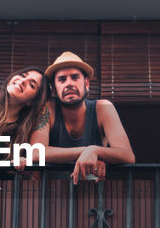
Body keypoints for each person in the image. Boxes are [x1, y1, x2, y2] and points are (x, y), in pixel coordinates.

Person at [28, 51, 134, 183]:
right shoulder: (47, 110)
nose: (69, 84)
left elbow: (127, 155)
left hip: (92, 191)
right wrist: (86, 151)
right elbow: (35, 153)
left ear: (87, 83)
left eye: (75, 77)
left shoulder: (102, 108)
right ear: (54, 89)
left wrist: (95, 150)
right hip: (53, 192)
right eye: (62, 79)